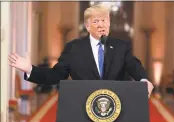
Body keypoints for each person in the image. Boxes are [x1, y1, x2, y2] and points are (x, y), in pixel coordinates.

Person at [8, 4, 154, 98]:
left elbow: (134, 65)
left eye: (105, 20)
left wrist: (143, 79)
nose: (102, 25)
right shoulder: (73, 48)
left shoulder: (121, 46)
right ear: (87, 26)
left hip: (116, 105)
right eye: (96, 21)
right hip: (83, 107)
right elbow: (56, 75)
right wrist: (30, 69)